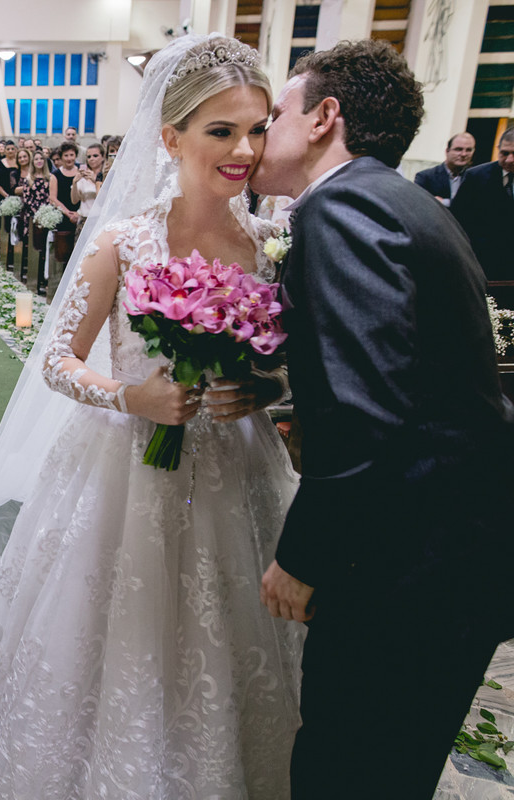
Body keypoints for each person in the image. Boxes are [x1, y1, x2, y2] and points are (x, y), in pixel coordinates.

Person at [0, 35, 301, 798]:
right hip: (127, 464)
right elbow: (58, 361)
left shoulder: (270, 245)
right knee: (115, 630)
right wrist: (134, 397)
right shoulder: (125, 243)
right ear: (171, 138)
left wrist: (265, 392)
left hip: (239, 466)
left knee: (230, 634)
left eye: (256, 129)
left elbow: (288, 361)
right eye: (221, 130)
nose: (244, 150)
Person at [251, 39, 514, 800]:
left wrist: (304, 556)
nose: (262, 133)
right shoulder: (395, 196)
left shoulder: (343, 207)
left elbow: (368, 414)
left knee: (347, 762)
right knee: (395, 763)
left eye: (275, 115)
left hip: (416, 560)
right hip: (462, 543)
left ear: (325, 117)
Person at [449, 129, 514, 281]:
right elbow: (458, 220)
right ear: (498, 150)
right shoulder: (476, 177)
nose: (510, 159)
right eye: (504, 153)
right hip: (482, 264)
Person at [413, 132, 474, 206]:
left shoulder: (476, 177)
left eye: (468, 150)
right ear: (447, 151)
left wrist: (446, 202)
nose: (463, 154)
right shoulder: (425, 177)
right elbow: (419, 204)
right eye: (458, 149)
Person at [71, 142, 105, 233]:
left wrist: (95, 180)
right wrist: (74, 183)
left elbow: (107, 197)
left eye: (95, 156)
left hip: (100, 219)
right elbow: (74, 201)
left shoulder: (107, 175)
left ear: (103, 157)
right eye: (89, 157)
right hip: (84, 219)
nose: (91, 159)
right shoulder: (83, 175)